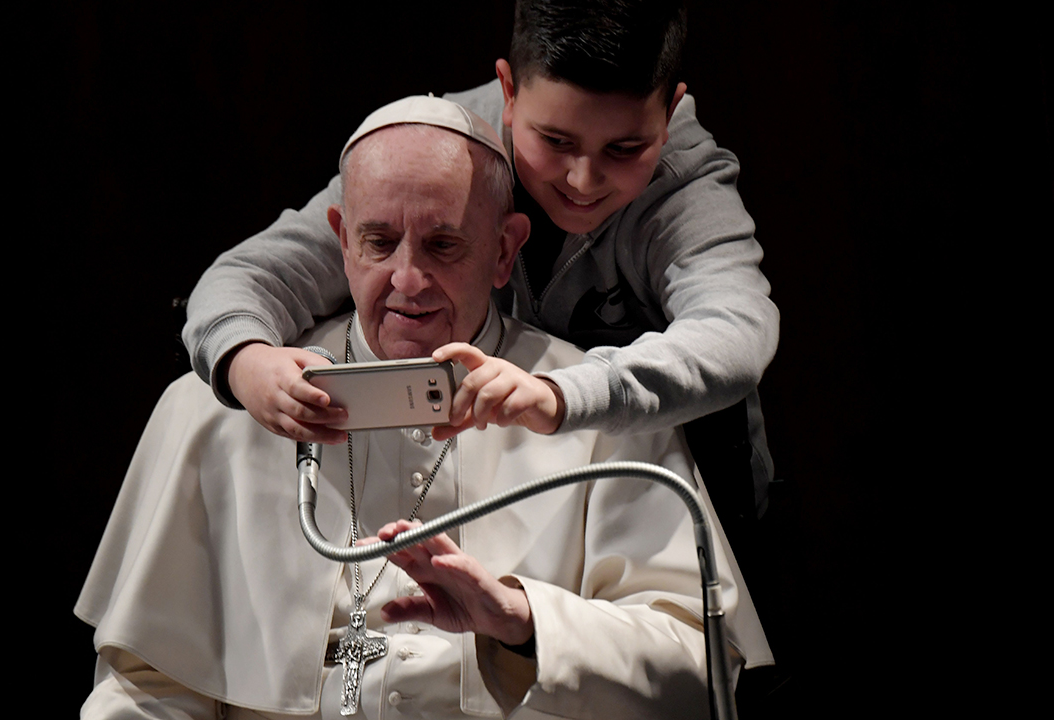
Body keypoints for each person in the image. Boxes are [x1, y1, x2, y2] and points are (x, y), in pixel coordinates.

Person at [77, 96, 771, 719]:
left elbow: (699, 676)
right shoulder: (217, 411)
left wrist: (523, 621)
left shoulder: (594, 414)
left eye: (443, 244)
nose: (407, 280)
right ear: (341, 239)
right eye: (379, 243)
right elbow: (144, 688)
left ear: (504, 252)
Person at [182, 0, 779, 565]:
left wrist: (560, 392)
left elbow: (736, 332)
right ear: (509, 91)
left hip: (683, 507)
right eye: (555, 141)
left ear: (670, 110)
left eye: (625, 148)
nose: (583, 179)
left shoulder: (683, 184)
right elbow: (250, 275)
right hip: (503, 505)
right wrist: (244, 361)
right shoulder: (434, 147)